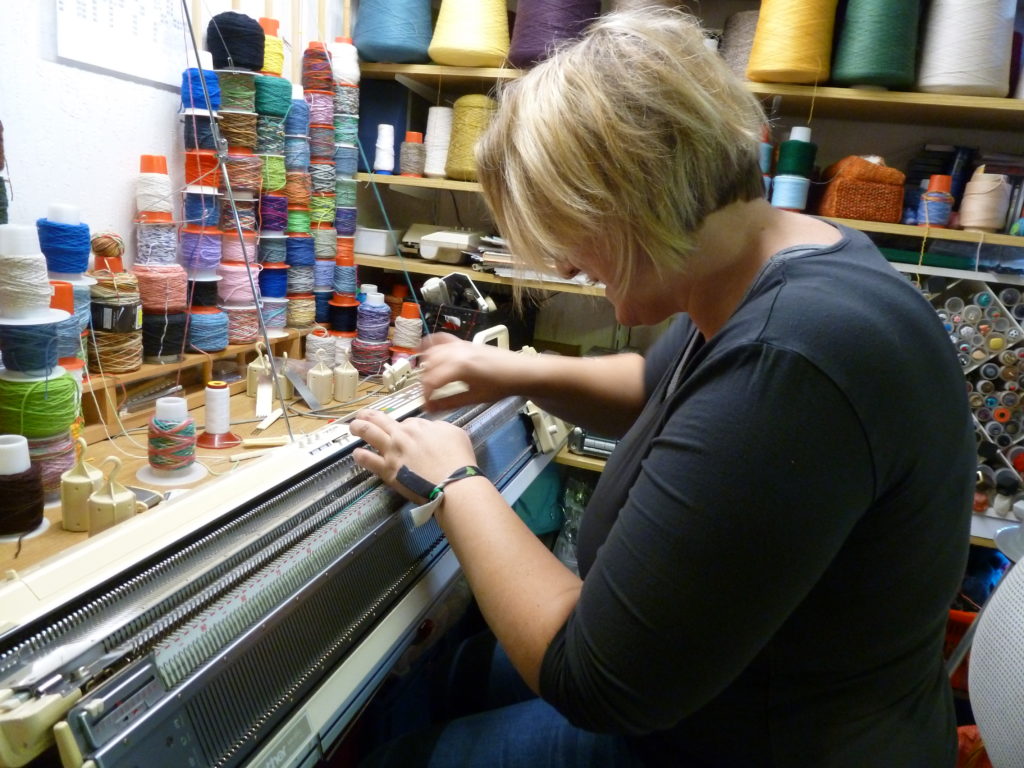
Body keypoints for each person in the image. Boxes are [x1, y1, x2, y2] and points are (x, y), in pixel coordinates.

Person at [349, 7, 975, 767]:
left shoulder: (794, 354)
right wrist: (510, 370)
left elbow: (593, 681)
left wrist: (453, 482)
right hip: (717, 692)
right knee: (442, 680)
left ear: (638, 195)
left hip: (752, 744)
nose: (563, 265)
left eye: (567, 230)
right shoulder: (777, 259)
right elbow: (656, 383)